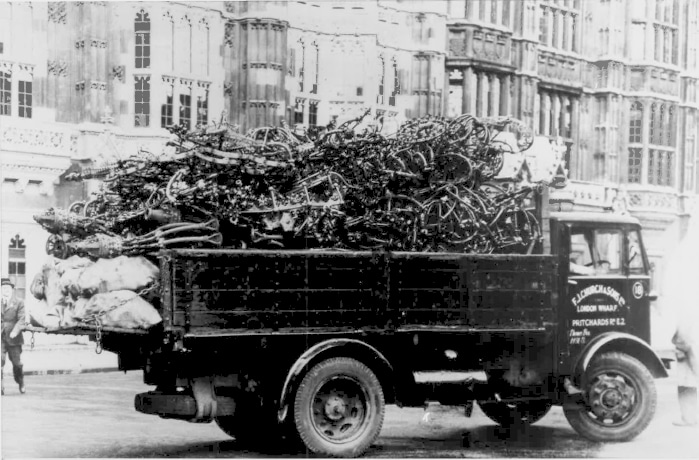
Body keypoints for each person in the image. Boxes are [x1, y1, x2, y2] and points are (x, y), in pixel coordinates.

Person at [1, 278, 26, 395]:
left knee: (17, 364)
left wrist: (15, 331)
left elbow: (22, 319)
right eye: (3, 288)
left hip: (14, 338)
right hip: (1, 338)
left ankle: (20, 382)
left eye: (7, 288)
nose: (5, 291)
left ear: (12, 290)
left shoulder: (19, 302)